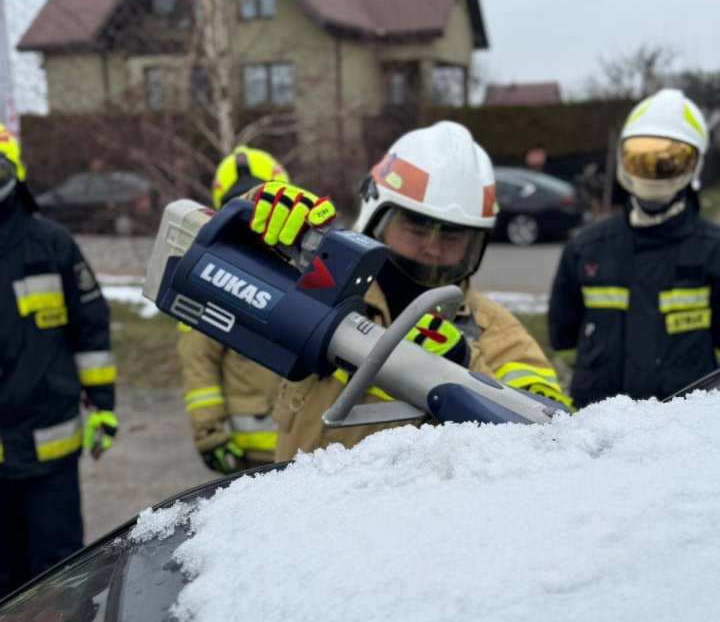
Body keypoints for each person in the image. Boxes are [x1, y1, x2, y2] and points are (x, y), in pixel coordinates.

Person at [235, 121, 569, 460]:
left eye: (453, 237)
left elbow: (553, 443)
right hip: (295, 509)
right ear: (374, 216)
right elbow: (206, 265)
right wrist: (253, 222)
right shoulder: (315, 285)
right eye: (416, 228)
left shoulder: (499, 335)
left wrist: (465, 371)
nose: (433, 249)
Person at [0, 126, 117, 597]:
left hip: (51, 455)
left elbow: (91, 330)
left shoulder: (52, 245)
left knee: (61, 578)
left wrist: (104, 407)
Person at [549, 88, 720, 408]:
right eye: (641, 160)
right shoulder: (586, 249)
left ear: (694, 164)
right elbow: (563, 337)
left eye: (667, 163)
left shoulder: (714, 251)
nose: (653, 173)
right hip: (599, 430)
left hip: (683, 430)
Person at [177, 145, 287, 472]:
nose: (253, 218)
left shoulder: (311, 265)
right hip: (249, 457)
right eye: (241, 207)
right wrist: (210, 434)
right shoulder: (212, 274)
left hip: (312, 446)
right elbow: (199, 362)